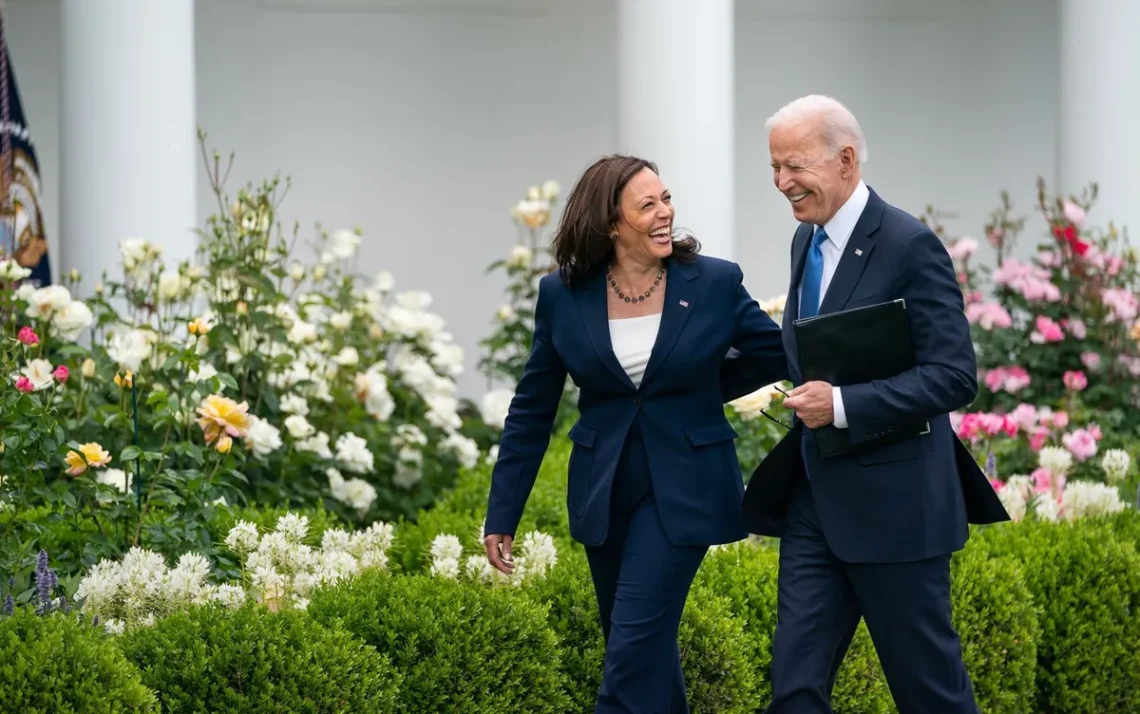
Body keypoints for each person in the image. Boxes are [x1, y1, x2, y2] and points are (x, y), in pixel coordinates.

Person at [483, 154, 787, 713]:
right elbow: (532, 409)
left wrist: (700, 388)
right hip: (606, 489)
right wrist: (502, 513)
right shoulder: (562, 294)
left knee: (629, 654)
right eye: (647, 205)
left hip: (687, 487)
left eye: (666, 199)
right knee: (642, 651)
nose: (665, 212)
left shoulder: (714, 281)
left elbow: (774, 352)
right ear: (609, 223)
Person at [747, 95, 1010, 714]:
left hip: (899, 511)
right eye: (774, 168)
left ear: (846, 159)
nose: (783, 183)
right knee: (794, 691)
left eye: (795, 167)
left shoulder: (909, 245)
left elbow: (953, 376)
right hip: (815, 503)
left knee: (930, 696)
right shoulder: (803, 241)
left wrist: (842, 404)